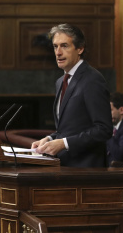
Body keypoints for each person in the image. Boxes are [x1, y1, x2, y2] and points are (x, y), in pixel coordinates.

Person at [31, 24, 112, 167]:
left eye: (64, 46)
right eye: (55, 47)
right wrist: (50, 139)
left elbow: (103, 130)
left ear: (80, 48)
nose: (58, 52)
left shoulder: (92, 79)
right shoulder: (60, 81)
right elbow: (71, 128)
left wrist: (64, 143)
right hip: (65, 166)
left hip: (86, 169)